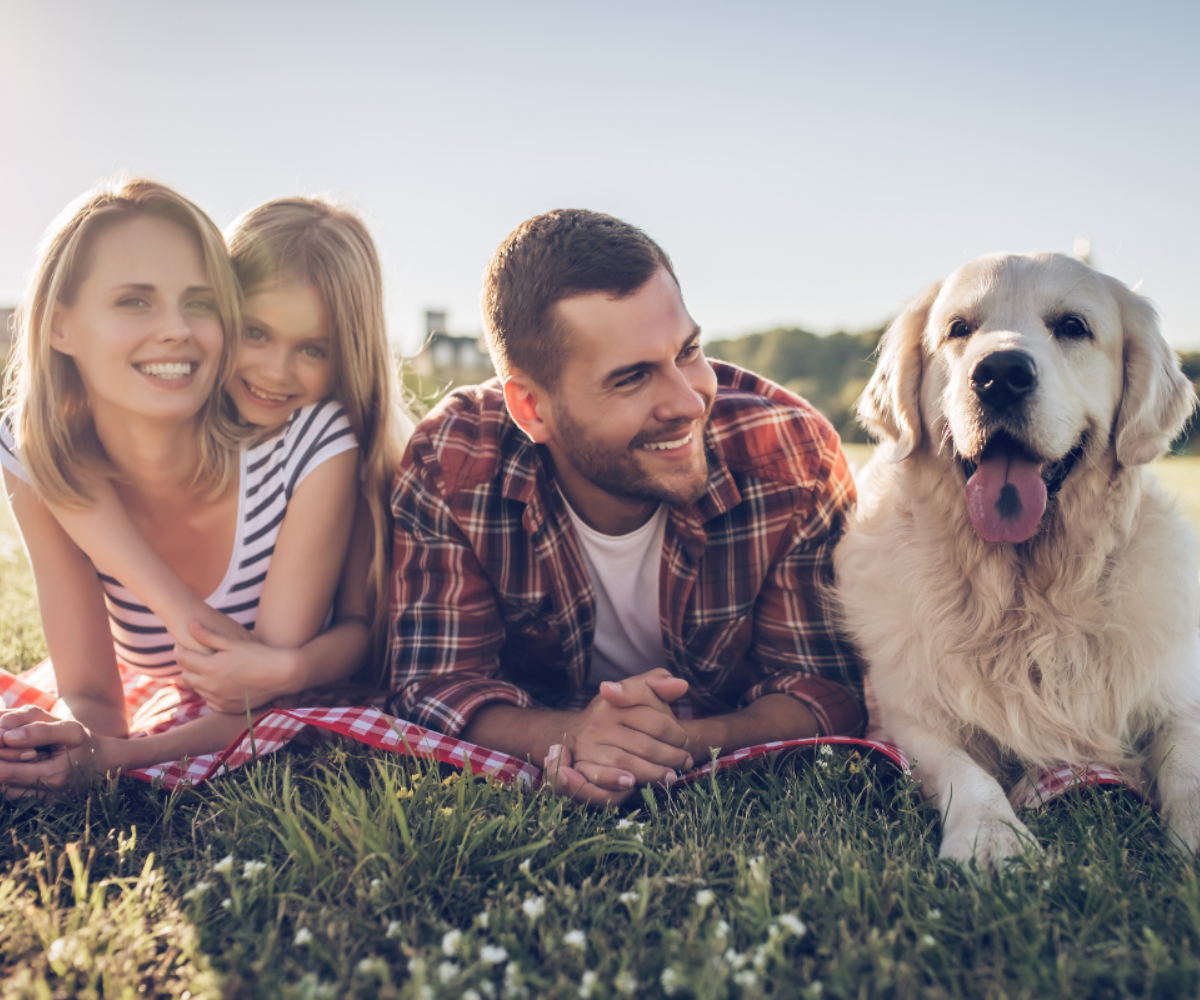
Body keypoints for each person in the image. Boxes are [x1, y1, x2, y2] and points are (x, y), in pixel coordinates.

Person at [388, 209, 865, 808]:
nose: (688, 401)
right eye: (632, 378)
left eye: (688, 350)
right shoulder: (452, 460)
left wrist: (685, 742)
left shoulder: (790, 454)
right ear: (531, 408)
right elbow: (435, 683)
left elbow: (825, 688)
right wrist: (568, 736)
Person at [0, 181, 407, 795]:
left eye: (197, 302)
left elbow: (256, 694)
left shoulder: (310, 441)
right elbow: (89, 693)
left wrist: (111, 756)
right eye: (135, 301)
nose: (175, 330)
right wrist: (68, 745)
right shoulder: (39, 453)